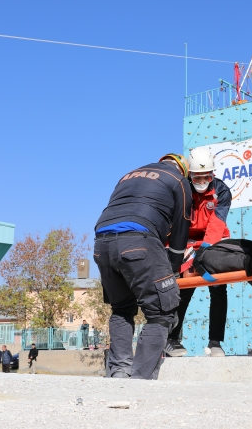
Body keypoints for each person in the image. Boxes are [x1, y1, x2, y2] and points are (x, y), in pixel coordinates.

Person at [93, 153, 191, 379]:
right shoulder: (178, 180)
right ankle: (140, 379)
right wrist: (173, 266)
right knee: (161, 313)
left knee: (121, 309)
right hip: (139, 240)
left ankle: (118, 372)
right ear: (182, 169)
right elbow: (181, 226)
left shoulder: (127, 176)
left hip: (102, 244)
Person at [165, 148, 232, 358]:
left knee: (219, 288)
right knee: (183, 288)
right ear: (190, 175)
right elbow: (177, 221)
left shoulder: (222, 191)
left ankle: (215, 342)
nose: (202, 181)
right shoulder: (183, 189)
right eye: (197, 177)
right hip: (186, 238)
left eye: (207, 176)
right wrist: (181, 248)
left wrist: (206, 248)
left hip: (214, 237)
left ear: (212, 174)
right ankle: (172, 340)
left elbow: (217, 222)